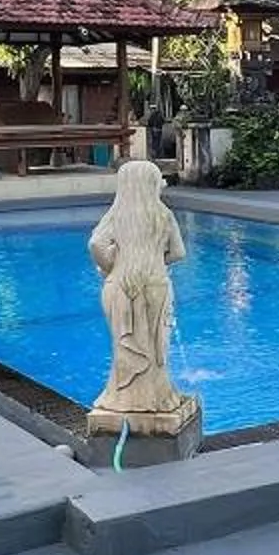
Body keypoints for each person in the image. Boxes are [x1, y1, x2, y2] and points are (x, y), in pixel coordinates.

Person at [87, 158, 188, 417]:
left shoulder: (116, 215)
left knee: (125, 346)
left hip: (120, 285)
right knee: (156, 349)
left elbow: (95, 244)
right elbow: (178, 253)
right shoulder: (163, 214)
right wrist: (154, 261)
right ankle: (158, 398)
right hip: (156, 284)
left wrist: (110, 264)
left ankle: (124, 399)